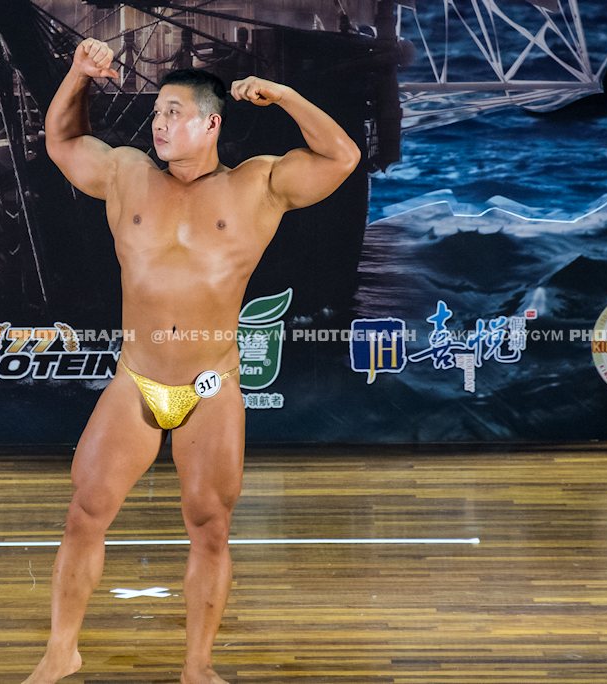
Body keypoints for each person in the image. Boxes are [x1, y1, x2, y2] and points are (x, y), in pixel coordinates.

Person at [24, 37, 360, 684]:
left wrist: (285, 95)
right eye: (156, 113)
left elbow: (341, 157)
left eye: (173, 113)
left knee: (209, 527)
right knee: (84, 513)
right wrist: (77, 74)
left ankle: (197, 667)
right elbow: (62, 142)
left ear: (211, 124)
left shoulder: (256, 185)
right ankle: (61, 651)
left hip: (211, 386)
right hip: (135, 380)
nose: (159, 124)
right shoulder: (126, 173)